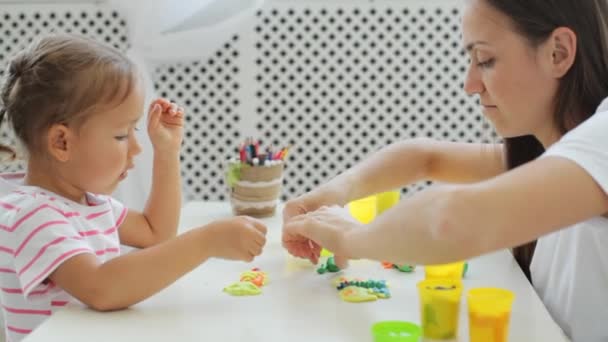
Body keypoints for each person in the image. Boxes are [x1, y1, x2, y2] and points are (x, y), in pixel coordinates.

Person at [282, 1, 608, 341]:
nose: (470, 84)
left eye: (485, 60)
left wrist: (351, 237)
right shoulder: (557, 155)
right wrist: (332, 194)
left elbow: (448, 220)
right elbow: (424, 157)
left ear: (558, 53)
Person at [0, 34, 267, 341]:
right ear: (62, 142)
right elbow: (101, 288)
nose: (137, 148)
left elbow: (157, 234)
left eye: (134, 130)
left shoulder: (87, 203)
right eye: (121, 136)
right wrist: (207, 241)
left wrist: (166, 154)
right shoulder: (32, 214)